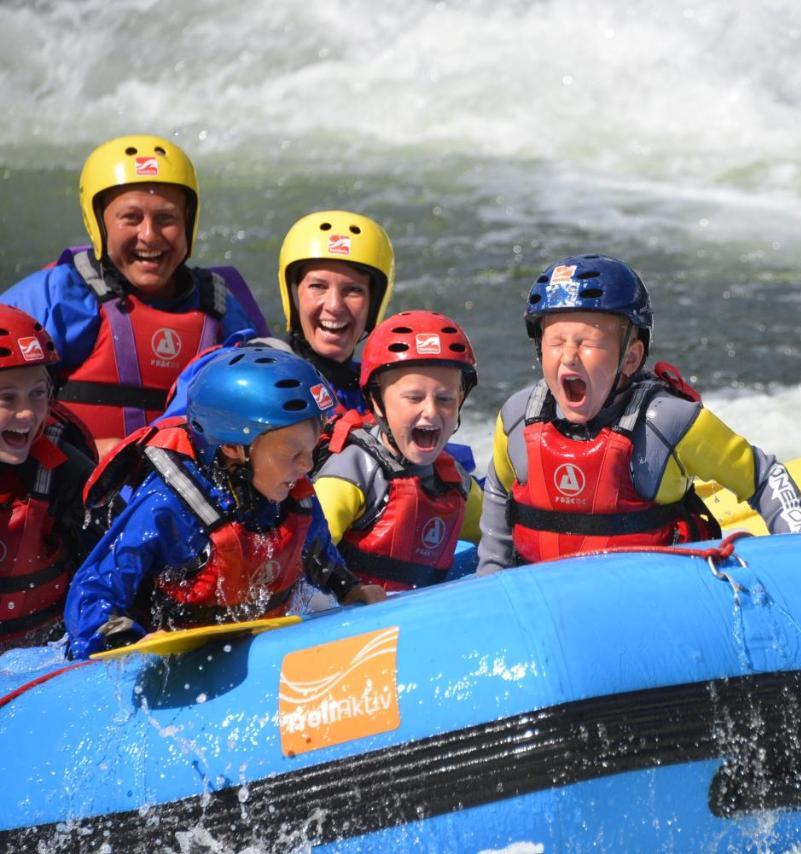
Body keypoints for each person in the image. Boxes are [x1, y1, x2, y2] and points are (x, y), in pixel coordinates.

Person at [477, 254, 801, 573]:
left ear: (631, 358)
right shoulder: (518, 419)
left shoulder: (668, 424)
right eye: (556, 342)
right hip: (545, 593)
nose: (568, 357)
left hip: (656, 598)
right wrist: (491, 571)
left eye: (586, 343)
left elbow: (764, 478)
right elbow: (498, 492)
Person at [64, 346, 385, 660]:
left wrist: (349, 588)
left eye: (311, 452)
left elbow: (317, 554)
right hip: (167, 663)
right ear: (234, 448)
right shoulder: (168, 507)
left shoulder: (292, 496)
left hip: (249, 647)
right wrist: (129, 645)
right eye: (293, 454)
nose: (306, 467)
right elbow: (93, 590)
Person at [0, 134, 266, 459]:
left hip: (183, 498)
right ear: (99, 224)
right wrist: (85, 452)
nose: (149, 235)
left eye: (166, 218)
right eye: (131, 218)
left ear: (188, 223)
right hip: (72, 490)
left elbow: (273, 407)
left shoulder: (221, 307)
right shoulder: (58, 295)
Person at [313, 311, 482, 589]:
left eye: (445, 399)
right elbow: (305, 556)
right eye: (414, 398)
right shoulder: (351, 473)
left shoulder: (455, 482)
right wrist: (347, 590)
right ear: (377, 402)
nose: (430, 412)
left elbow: (499, 532)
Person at [0, 307, 98, 651]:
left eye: (38, 393)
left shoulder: (64, 471)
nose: (27, 413)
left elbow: (111, 566)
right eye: (7, 398)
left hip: (45, 659)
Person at [276, 210, 396, 413]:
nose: (334, 306)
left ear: (373, 303)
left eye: (353, 290)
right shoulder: (266, 381)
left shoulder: (380, 393)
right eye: (318, 286)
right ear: (294, 296)